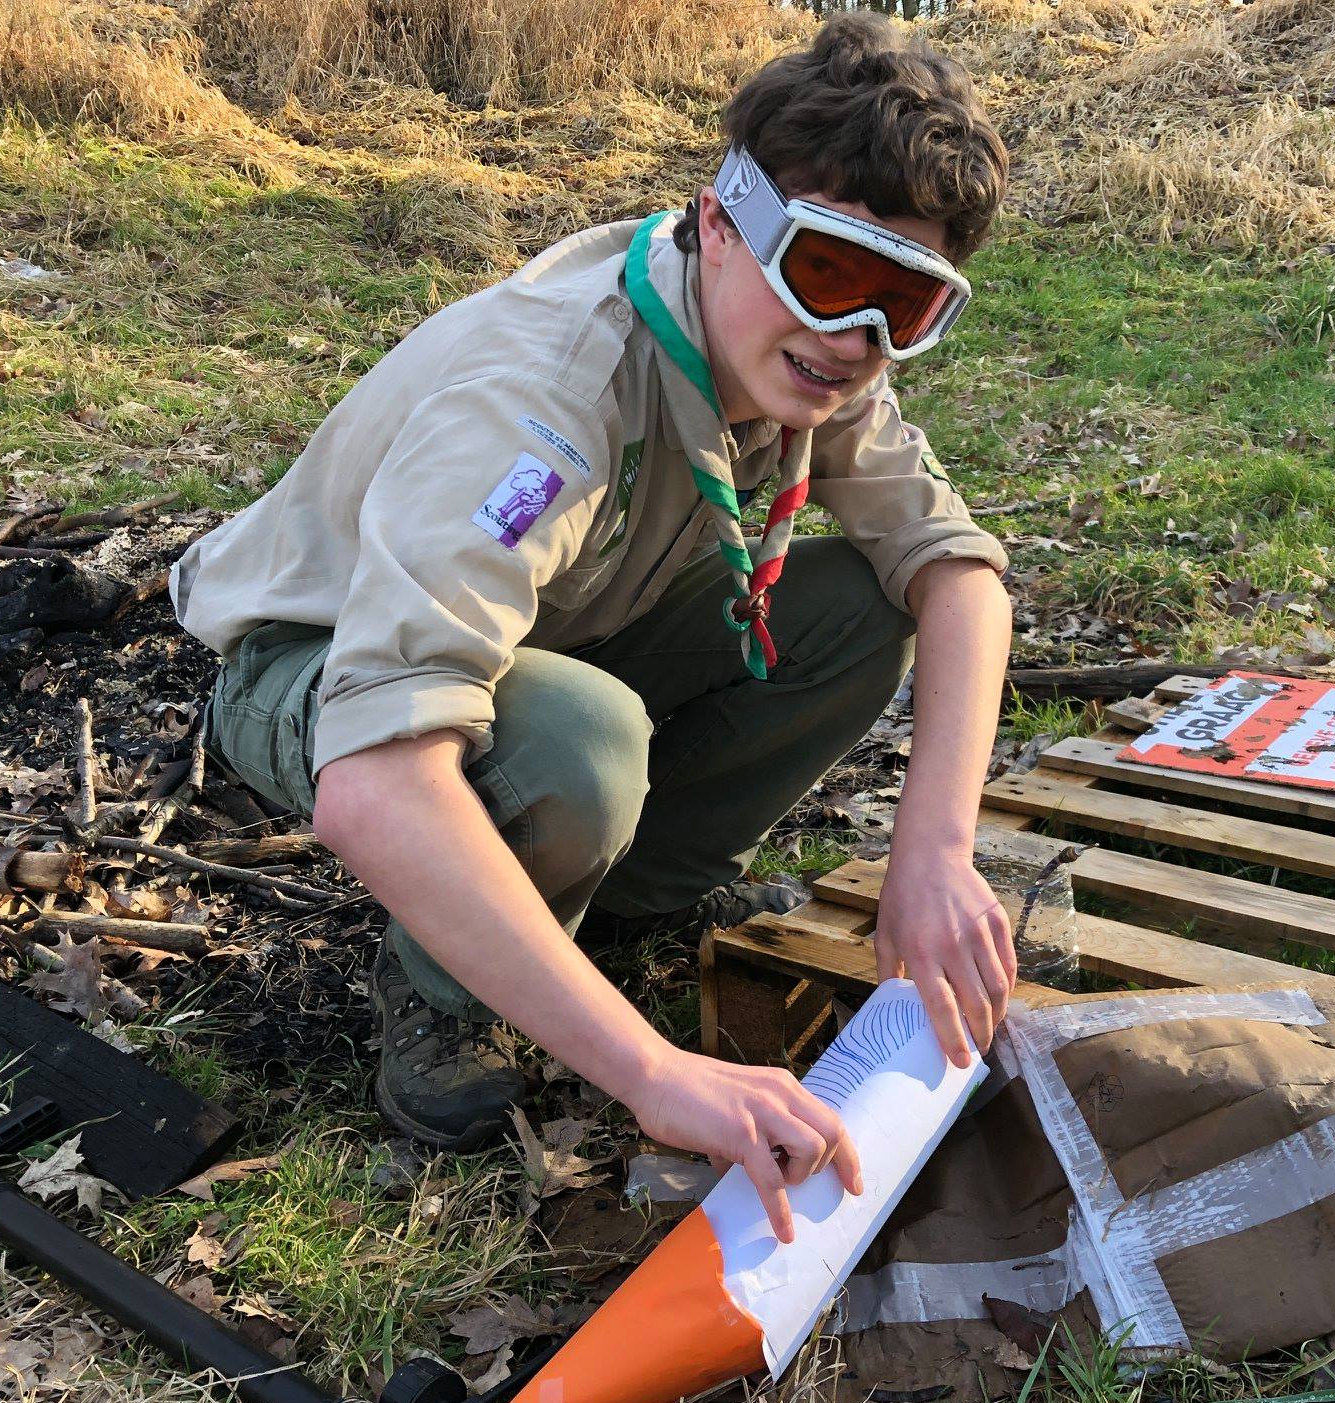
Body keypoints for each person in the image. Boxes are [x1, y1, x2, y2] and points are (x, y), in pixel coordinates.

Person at [170, 14, 1017, 1242]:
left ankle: (633, 896)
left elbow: (960, 572)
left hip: (554, 631)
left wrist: (933, 852)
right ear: (721, 223)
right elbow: (375, 777)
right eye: (830, 275)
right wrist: (655, 1076)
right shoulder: (545, 401)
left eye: (910, 305)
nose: (854, 343)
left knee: (857, 611)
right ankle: (444, 992)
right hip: (312, 663)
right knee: (579, 744)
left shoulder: (804, 359)